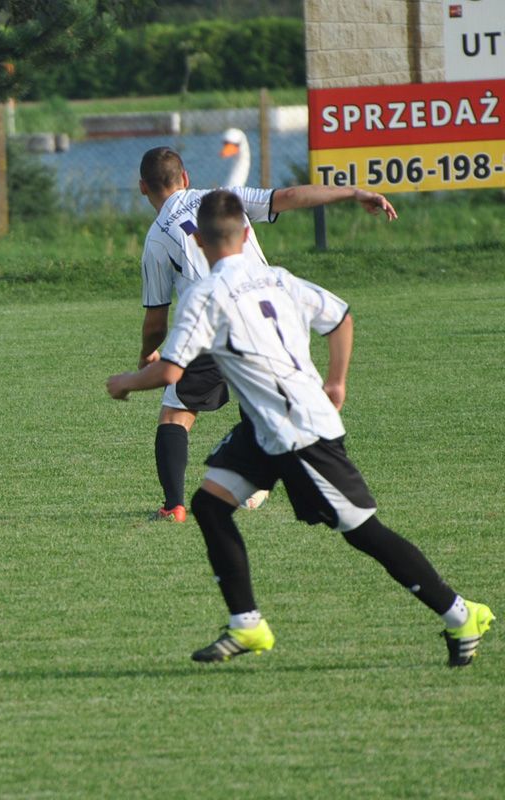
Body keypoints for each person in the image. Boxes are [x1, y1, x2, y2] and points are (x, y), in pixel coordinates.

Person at [107, 189, 493, 666]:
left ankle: (460, 613)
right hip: (265, 427)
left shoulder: (204, 294)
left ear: (201, 243)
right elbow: (340, 317)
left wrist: (124, 382)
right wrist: (337, 382)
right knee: (210, 504)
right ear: (246, 234)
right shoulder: (278, 277)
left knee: (362, 531)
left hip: (298, 430)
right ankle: (246, 624)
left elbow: (170, 371)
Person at [137, 146, 399, 522]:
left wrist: (147, 354)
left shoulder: (156, 239)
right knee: (265, 400)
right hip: (264, 316)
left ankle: (175, 506)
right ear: (186, 178)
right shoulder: (224, 199)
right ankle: (266, 481)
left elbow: (155, 322)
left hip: (211, 323)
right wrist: (353, 193)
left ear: (143, 187)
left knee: (176, 414)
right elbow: (290, 196)